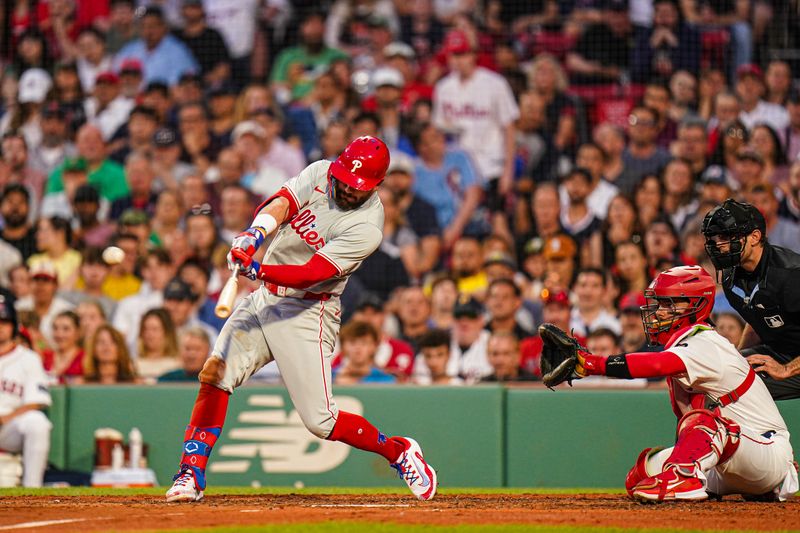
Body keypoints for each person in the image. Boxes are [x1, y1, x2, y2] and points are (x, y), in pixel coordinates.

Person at [165, 136, 437, 503]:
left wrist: (258, 268)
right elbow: (282, 202)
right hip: (265, 299)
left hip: (308, 311)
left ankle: (399, 451)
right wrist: (253, 234)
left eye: (355, 187)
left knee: (321, 421)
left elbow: (312, 272)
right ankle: (190, 472)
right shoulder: (322, 172)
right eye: (342, 179)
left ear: (375, 187)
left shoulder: (368, 227)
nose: (343, 188)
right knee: (216, 372)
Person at [557, 265, 798, 501]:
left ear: (695, 306)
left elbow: (656, 364)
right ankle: (693, 477)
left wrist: (590, 364)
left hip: (765, 450)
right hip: (731, 462)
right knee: (642, 472)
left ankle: (686, 479)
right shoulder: (684, 345)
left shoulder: (705, 341)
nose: (659, 311)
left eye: (668, 303)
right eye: (659, 303)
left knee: (703, 423)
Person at [702, 199, 800, 400]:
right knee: (710, 377)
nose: (719, 245)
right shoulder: (731, 278)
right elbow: (757, 319)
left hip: (792, 363)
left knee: (736, 387)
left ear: (755, 237)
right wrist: (738, 357)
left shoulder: (790, 275)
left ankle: (770, 433)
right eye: (714, 239)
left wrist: (786, 369)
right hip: (779, 353)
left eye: (726, 237)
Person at [0, 296, 52, 487]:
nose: (0, 326)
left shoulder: (28, 358)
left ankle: (32, 490)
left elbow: (36, 401)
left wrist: (7, 417)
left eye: (5, 321)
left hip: (8, 427)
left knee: (37, 422)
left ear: (14, 326)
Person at [334, 321, 397, 385]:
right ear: (342, 347)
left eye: (364, 343)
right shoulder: (330, 376)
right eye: (352, 342)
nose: (358, 347)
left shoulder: (386, 379)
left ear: (374, 347)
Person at [40, 310, 85, 384]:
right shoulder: (44, 356)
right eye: (55, 328)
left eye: (66, 329)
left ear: (78, 332)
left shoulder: (86, 358)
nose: (59, 334)